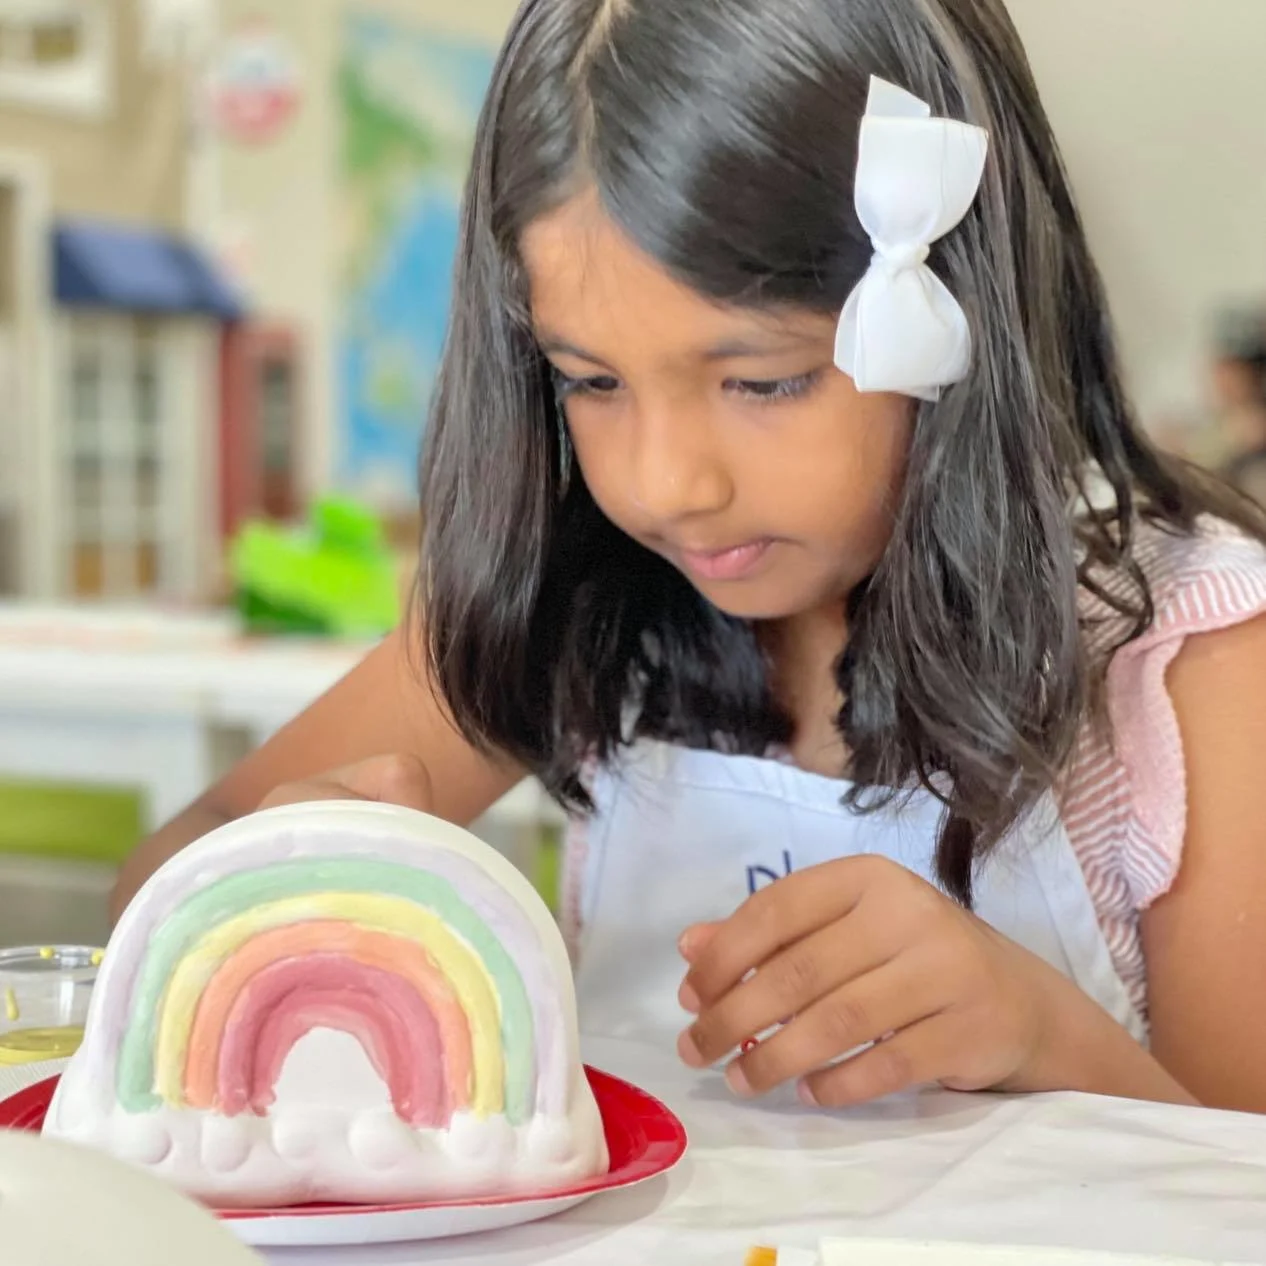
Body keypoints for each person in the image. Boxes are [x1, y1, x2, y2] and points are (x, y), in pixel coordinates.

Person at [116, 0, 1266, 1115]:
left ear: (960, 312)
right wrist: (274, 888)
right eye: (590, 381)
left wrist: (1043, 1034)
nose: (665, 483)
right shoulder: (577, 600)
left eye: (761, 381)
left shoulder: (1192, 664)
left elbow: (1236, 1182)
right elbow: (171, 867)